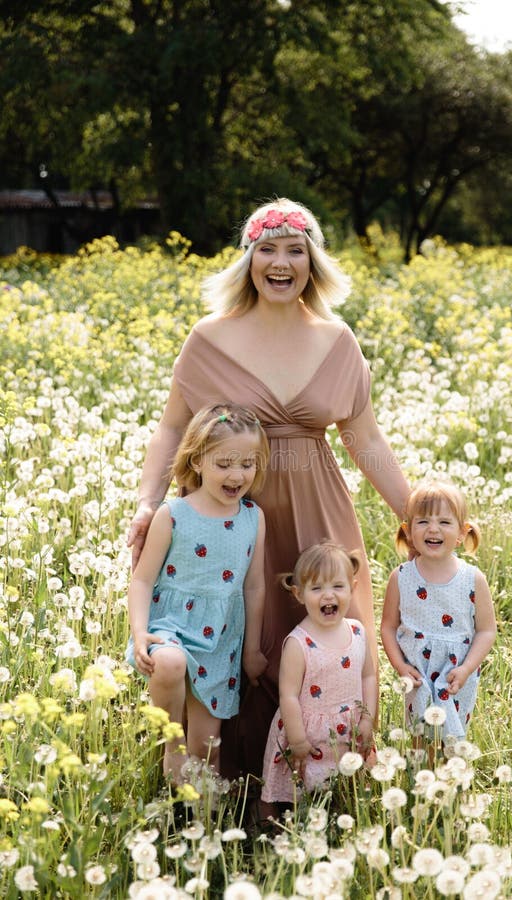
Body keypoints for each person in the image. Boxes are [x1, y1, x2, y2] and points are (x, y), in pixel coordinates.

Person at [127, 197, 411, 778]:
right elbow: (173, 428)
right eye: (268, 250)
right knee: (236, 635)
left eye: (295, 251)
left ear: (313, 263)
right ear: (249, 259)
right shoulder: (211, 337)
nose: (280, 263)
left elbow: (364, 438)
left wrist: (418, 514)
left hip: (316, 505)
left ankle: (325, 776)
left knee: (327, 628)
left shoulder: (337, 339)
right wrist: (146, 502)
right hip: (228, 515)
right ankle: (224, 781)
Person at [126, 403, 269, 782]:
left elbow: (253, 587)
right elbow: (141, 580)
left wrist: (252, 650)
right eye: (224, 464)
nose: (237, 474)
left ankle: (198, 827)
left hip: (221, 638)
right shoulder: (173, 514)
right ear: (198, 460)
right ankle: (171, 746)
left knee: (207, 752)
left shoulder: (253, 518)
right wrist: (141, 633)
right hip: (171, 625)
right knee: (170, 663)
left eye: (247, 464)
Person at [261, 541, 376, 807]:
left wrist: (368, 720)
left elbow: (368, 677)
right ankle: (279, 818)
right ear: (299, 594)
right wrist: (298, 739)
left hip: (349, 727)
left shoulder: (358, 631)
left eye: (337, 586)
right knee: (303, 792)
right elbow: (288, 695)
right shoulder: (298, 643)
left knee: (346, 790)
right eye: (316, 588)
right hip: (308, 733)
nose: (328, 596)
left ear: (353, 588)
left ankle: (343, 814)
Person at [381, 480, 496, 741]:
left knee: (452, 740)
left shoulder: (473, 579)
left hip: (456, 674)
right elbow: (388, 627)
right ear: (408, 531)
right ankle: (422, 778)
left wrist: (467, 668)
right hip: (417, 672)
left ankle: (452, 778)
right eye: (422, 522)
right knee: (420, 738)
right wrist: (399, 665)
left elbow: (487, 631)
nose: (433, 528)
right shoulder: (400, 577)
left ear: (461, 533)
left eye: (444, 522)